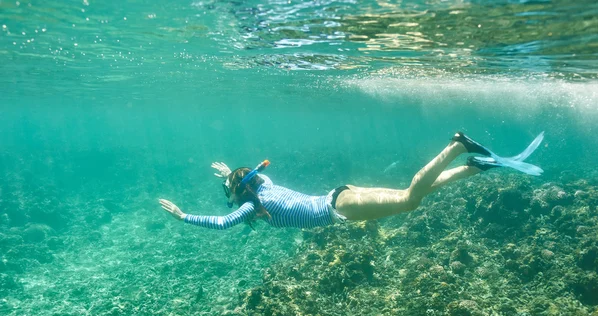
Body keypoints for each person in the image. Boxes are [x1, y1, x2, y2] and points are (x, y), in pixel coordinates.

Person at [159, 132, 544, 229]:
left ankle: (457, 147)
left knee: (411, 198)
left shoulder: (250, 204)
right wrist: (232, 175)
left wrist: (184, 216)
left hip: (338, 206)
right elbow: (250, 179)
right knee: (415, 197)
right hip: (340, 196)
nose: (229, 196)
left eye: (230, 190)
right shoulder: (265, 186)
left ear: (240, 191)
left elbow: (223, 222)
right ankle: (477, 167)